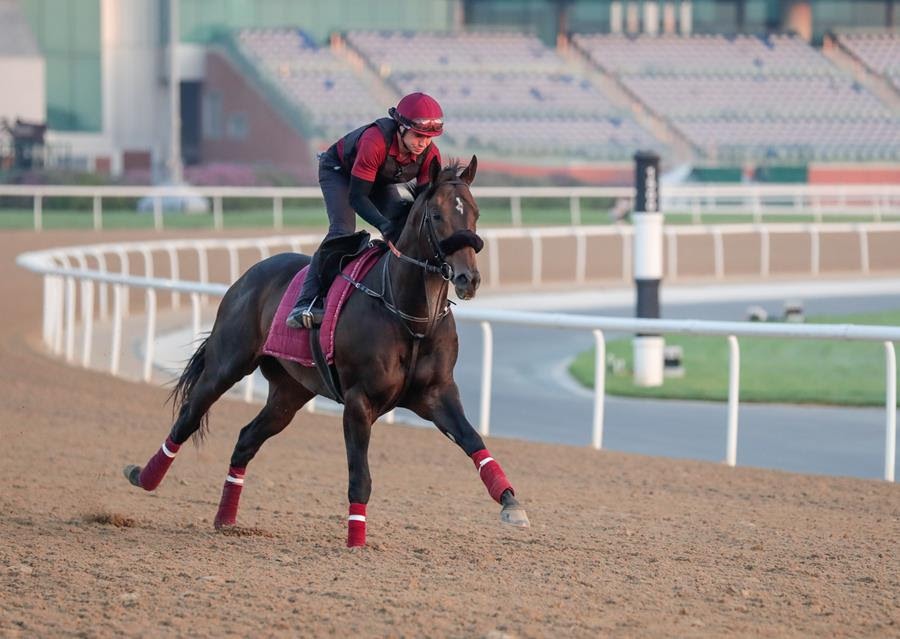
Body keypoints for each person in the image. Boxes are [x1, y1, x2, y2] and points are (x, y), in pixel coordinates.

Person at [285, 92, 444, 329]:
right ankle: (306, 301)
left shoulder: (430, 155)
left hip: (377, 178)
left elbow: (422, 206)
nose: (423, 143)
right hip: (340, 172)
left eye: (429, 137)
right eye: (418, 135)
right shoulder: (375, 141)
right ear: (400, 127)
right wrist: (383, 225)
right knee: (342, 231)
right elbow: (358, 198)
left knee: (404, 225)